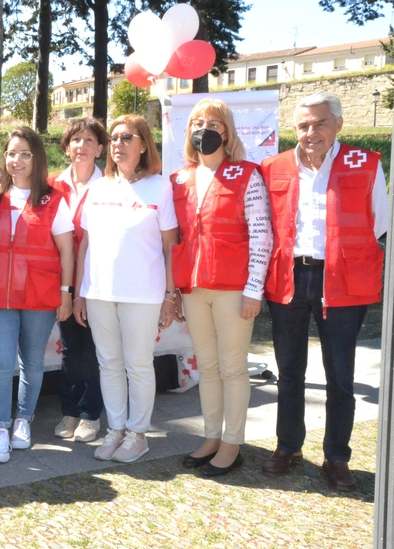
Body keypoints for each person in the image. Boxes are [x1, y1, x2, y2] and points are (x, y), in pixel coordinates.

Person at [260, 91, 389, 491]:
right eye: (303, 125)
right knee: (289, 372)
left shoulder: (366, 164)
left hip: (343, 282)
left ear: (338, 126)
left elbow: (380, 226)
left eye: (319, 123)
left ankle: (337, 456)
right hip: (289, 278)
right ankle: (288, 447)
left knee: (340, 376)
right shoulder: (273, 167)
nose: (310, 132)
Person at [170, 99, 272, 476]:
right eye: (198, 122)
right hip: (194, 289)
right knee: (207, 368)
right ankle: (211, 437)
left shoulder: (247, 174)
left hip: (233, 289)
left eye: (214, 122)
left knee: (232, 368)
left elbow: (262, 235)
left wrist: (254, 290)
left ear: (226, 132)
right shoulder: (179, 178)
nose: (205, 127)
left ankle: (232, 443)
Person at [73, 114, 179, 464]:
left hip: (144, 294)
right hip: (100, 291)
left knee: (138, 365)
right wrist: (79, 292)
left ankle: (138, 433)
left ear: (144, 145)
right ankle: (115, 429)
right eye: (115, 137)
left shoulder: (159, 187)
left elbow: (169, 247)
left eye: (127, 137)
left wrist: (169, 294)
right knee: (109, 363)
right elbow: (85, 244)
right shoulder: (97, 188)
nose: (118, 143)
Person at [0, 127, 75, 464]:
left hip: (40, 295)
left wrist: (66, 294)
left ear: (36, 158)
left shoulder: (54, 199)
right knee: (1, 364)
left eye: (24, 154)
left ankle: (24, 419)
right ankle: (1, 428)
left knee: (32, 362)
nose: (16, 160)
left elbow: (67, 251)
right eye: (10, 153)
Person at [48, 118, 108, 444]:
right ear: (66, 147)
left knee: (92, 348)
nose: (81, 146)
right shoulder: (51, 185)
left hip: (96, 278)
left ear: (100, 148)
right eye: (75, 140)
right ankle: (69, 411)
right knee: (71, 349)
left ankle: (90, 413)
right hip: (60, 280)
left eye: (89, 140)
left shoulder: (110, 185)